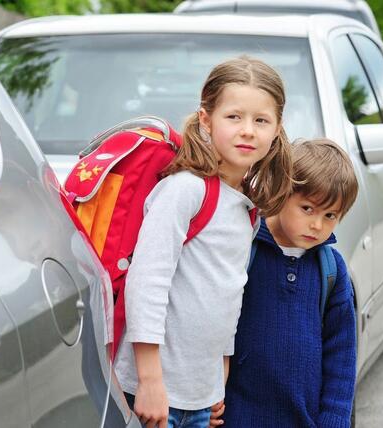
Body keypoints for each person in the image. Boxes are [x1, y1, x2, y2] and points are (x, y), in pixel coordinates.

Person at [112, 55, 294, 428]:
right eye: (234, 117)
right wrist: (149, 381)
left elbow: (226, 294)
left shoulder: (246, 205)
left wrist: (216, 383)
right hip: (152, 393)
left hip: (200, 398)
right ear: (206, 120)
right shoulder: (186, 190)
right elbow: (147, 283)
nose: (247, 130)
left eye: (261, 120)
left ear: (276, 130)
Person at [218, 138, 359, 427]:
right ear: (282, 192)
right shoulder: (244, 248)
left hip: (303, 419)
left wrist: (334, 419)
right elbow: (212, 327)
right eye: (307, 208)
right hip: (237, 416)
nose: (317, 225)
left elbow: (341, 356)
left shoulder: (332, 270)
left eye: (330, 215)